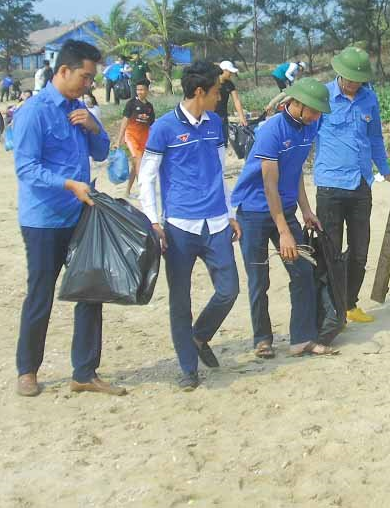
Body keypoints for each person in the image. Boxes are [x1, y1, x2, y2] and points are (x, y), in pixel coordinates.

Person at [12, 39, 123, 398]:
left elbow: (103, 151)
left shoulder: (81, 109)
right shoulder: (34, 112)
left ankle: (85, 372)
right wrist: (67, 184)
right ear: (63, 71)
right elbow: (26, 168)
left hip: (81, 216)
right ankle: (27, 371)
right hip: (44, 220)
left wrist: (94, 127)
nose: (89, 84)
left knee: (91, 292)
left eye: (92, 79)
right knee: (40, 294)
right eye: (85, 77)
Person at [138, 62, 240, 390]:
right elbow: (147, 176)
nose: (219, 96)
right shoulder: (164, 128)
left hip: (216, 223)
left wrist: (231, 212)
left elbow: (221, 171)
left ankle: (199, 336)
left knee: (229, 290)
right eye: (215, 91)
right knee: (180, 299)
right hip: (179, 227)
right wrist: (154, 221)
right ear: (199, 92)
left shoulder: (216, 124)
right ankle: (187, 367)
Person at [230, 77, 337, 359]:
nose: (316, 117)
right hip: (253, 211)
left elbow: (296, 170)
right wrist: (285, 232)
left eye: (318, 113)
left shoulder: (309, 127)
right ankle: (262, 339)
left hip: (285, 208)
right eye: (313, 110)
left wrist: (306, 210)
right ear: (297, 104)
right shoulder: (272, 130)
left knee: (302, 272)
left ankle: (302, 339)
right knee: (258, 277)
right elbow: (269, 184)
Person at [314, 47, 390, 323]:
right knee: (330, 252)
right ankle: (330, 310)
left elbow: (375, 139)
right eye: (349, 79)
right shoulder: (322, 97)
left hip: (361, 185)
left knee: (360, 250)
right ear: (339, 73)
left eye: (358, 80)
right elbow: (305, 134)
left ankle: (349, 304)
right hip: (330, 187)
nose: (353, 84)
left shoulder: (369, 99)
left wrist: (385, 171)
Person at [113, 80, 155, 196]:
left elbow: (151, 126)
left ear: (147, 90)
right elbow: (124, 122)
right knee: (139, 161)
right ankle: (144, 191)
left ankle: (127, 191)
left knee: (136, 164)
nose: (139, 92)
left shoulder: (149, 107)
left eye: (142, 89)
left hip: (144, 139)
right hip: (131, 136)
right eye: (138, 90)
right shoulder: (131, 104)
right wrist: (118, 140)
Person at [215, 60, 249, 131]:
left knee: (224, 138)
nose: (231, 74)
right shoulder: (212, 82)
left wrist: (241, 117)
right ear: (223, 70)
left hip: (223, 116)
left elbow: (236, 100)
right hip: (212, 115)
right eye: (230, 72)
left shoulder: (229, 84)